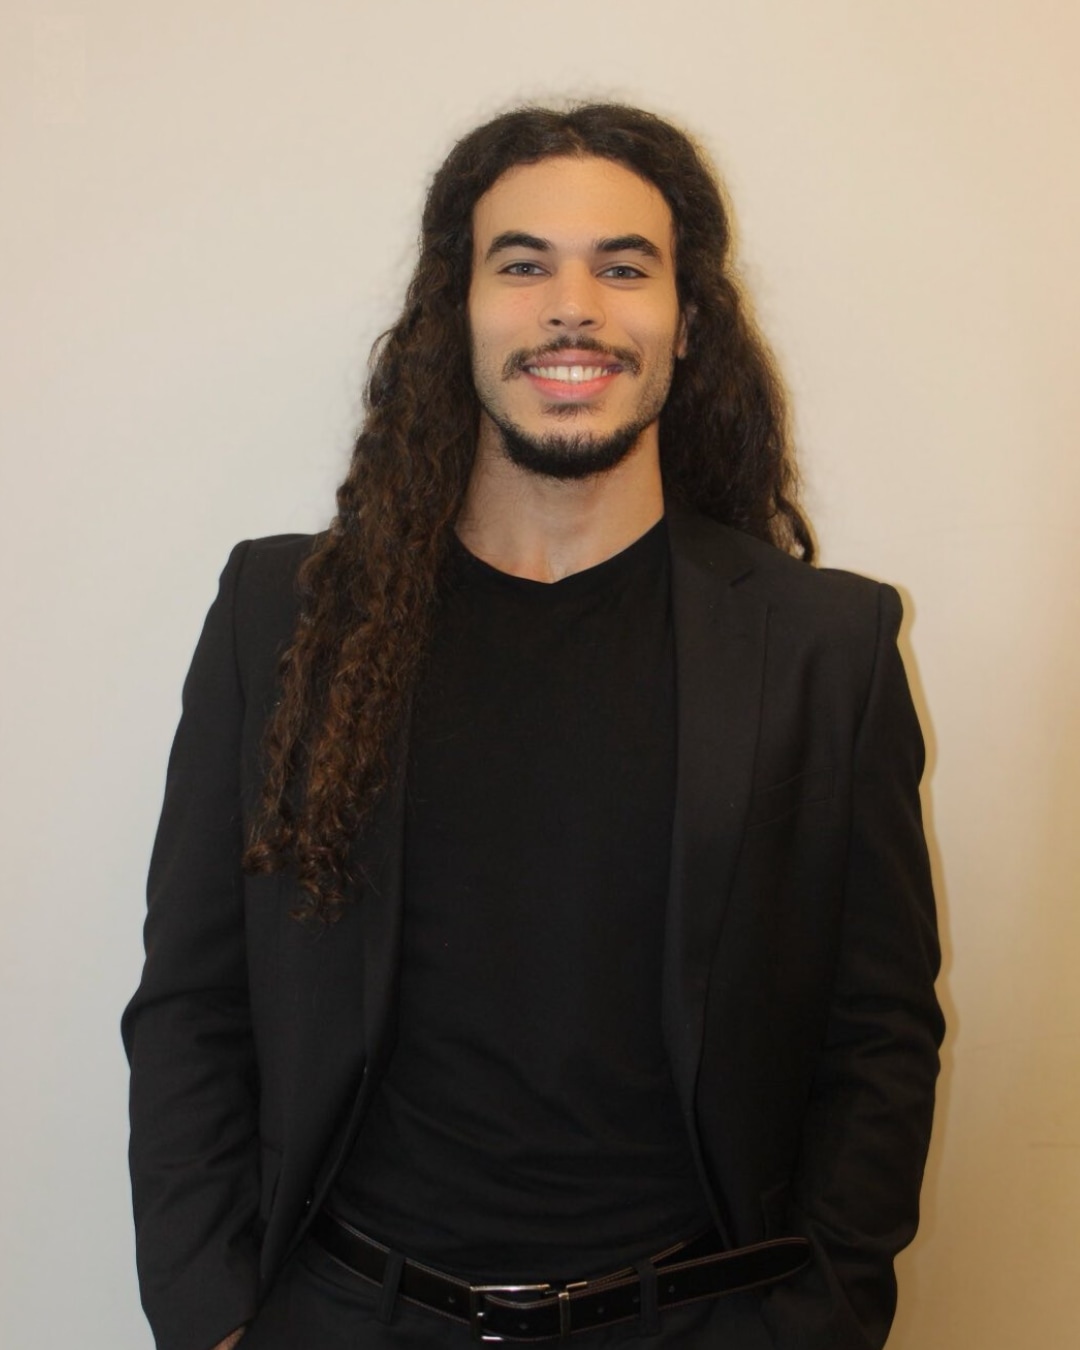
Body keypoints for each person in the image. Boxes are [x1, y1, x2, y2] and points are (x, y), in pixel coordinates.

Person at [123, 104, 944, 1350]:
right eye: (522, 265)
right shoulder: (283, 615)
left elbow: (878, 1032)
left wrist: (816, 1321)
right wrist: (214, 1321)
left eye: (624, 267)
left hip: (696, 1322)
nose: (574, 307)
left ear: (689, 321)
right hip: (348, 1315)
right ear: (455, 310)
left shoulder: (826, 646)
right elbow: (193, 999)